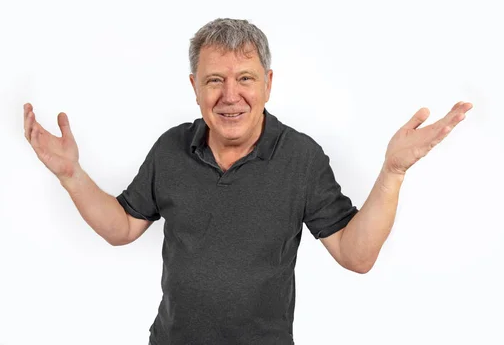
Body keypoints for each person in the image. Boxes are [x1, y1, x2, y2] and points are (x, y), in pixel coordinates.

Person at [23, 18, 473, 344]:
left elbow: (356, 256)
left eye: (245, 79)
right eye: (214, 80)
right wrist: (71, 174)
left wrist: (392, 172)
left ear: (269, 83)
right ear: (194, 86)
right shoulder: (170, 149)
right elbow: (122, 227)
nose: (230, 96)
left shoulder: (301, 157)